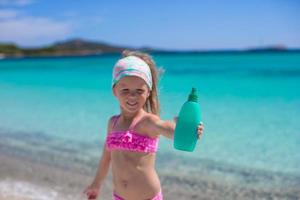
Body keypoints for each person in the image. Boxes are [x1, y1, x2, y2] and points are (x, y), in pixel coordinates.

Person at [83, 50, 204, 200]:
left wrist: (182, 128)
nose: (132, 95)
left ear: (148, 92)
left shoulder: (147, 122)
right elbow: (106, 157)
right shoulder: (112, 123)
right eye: (125, 90)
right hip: (119, 197)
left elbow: (167, 128)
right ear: (114, 90)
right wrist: (96, 184)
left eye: (139, 90)